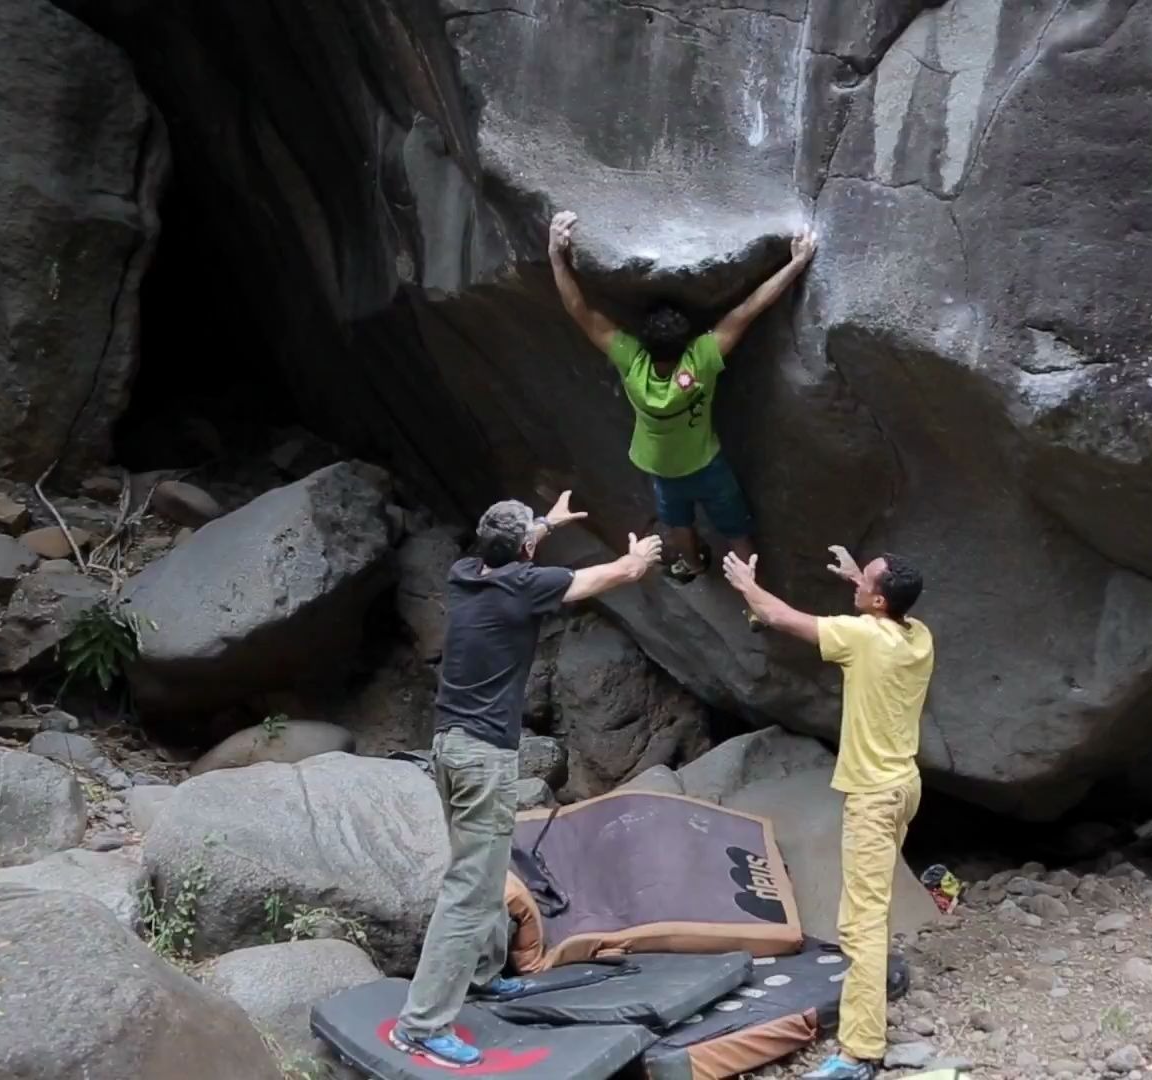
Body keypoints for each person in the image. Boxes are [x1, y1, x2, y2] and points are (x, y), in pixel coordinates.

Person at [390, 491, 663, 1068]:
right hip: (482, 757)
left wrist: (545, 523)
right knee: (470, 891)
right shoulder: (525, 587)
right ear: (527, 552)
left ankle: (484, 974)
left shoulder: (468, 572)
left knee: (482, 871)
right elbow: (613, 575)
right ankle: (421, 1024)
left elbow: (510, 543)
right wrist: (642, 556)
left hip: (448, 749)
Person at [721, 545, 933, 1080]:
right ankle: (871, 1010)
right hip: (905, 785)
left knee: (860, 922)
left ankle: (861, 1052)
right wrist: (857, 581)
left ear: (880, 601)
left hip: (874, 796)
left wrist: (746, 584)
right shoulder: (917, 635)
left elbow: (779, 617)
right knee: (875, 904)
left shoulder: (862, 637)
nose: (860, 580)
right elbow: (882, 604)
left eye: (869, 580)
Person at [546, 209, 817, 589]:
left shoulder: (632, 362)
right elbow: (748, 310)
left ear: (643, 342)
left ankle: (692, 563)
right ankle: (753, 594)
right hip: (707, 463)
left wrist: (557, 255)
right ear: (686, 342)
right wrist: (796, 263)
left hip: (663, 468)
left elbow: (581, 311)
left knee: (677, 523)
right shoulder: (703, 359)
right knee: (736, 528)